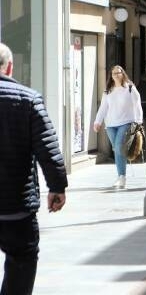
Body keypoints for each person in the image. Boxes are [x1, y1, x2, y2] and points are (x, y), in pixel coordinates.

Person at [0, 42, 67, 295]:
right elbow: (47, 148)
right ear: (10, 67)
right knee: (22, 261)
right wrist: (57, 187)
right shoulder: (28, 99)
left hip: (17, 206)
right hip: (16, 208)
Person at [93, 65, 143, 189]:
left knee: (119, 148)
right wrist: (97, 122)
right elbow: (103, 107)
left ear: (122, 74)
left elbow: (137, 104)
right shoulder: (108, 91)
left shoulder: (130, 88)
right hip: (111, 125)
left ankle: (122, 177)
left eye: (118, 72)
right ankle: (121, 176)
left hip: (126, 122)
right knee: (117, 149)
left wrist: (139, 120)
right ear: (111, 76)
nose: (116, 75)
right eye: (114, 73)